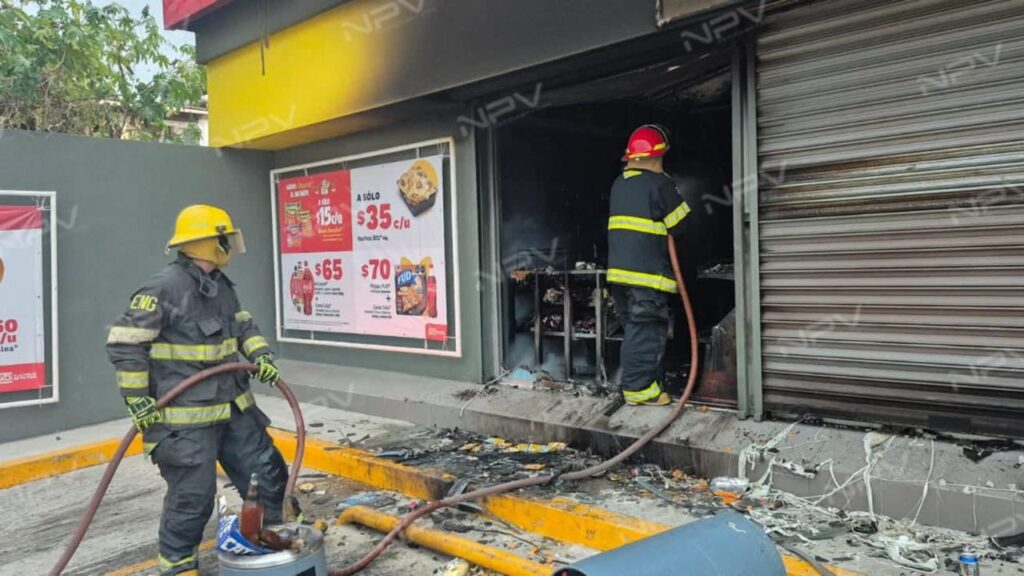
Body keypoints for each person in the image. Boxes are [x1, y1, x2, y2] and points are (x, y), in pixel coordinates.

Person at [106, 205, 286, 576]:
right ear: (208, 241)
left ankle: (272, 540)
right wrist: (138, 399)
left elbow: (242, 326)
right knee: (192, 499)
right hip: (184, 420)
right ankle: (178, 567)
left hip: (234, 409)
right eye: (224, 239)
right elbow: (126, 343)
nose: (229, 248)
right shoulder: (163, 288)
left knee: (267, 474)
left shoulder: (220, 285)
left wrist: (262, 356)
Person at [607, 125, 691, 406]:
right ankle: (640, 391)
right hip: (647, 277)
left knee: (634, 329)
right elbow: (682, 225)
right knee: (647, 332)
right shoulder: (660, 185)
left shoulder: (619, 184)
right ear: (658, 156)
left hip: (619, 276)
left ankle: (647, 384)